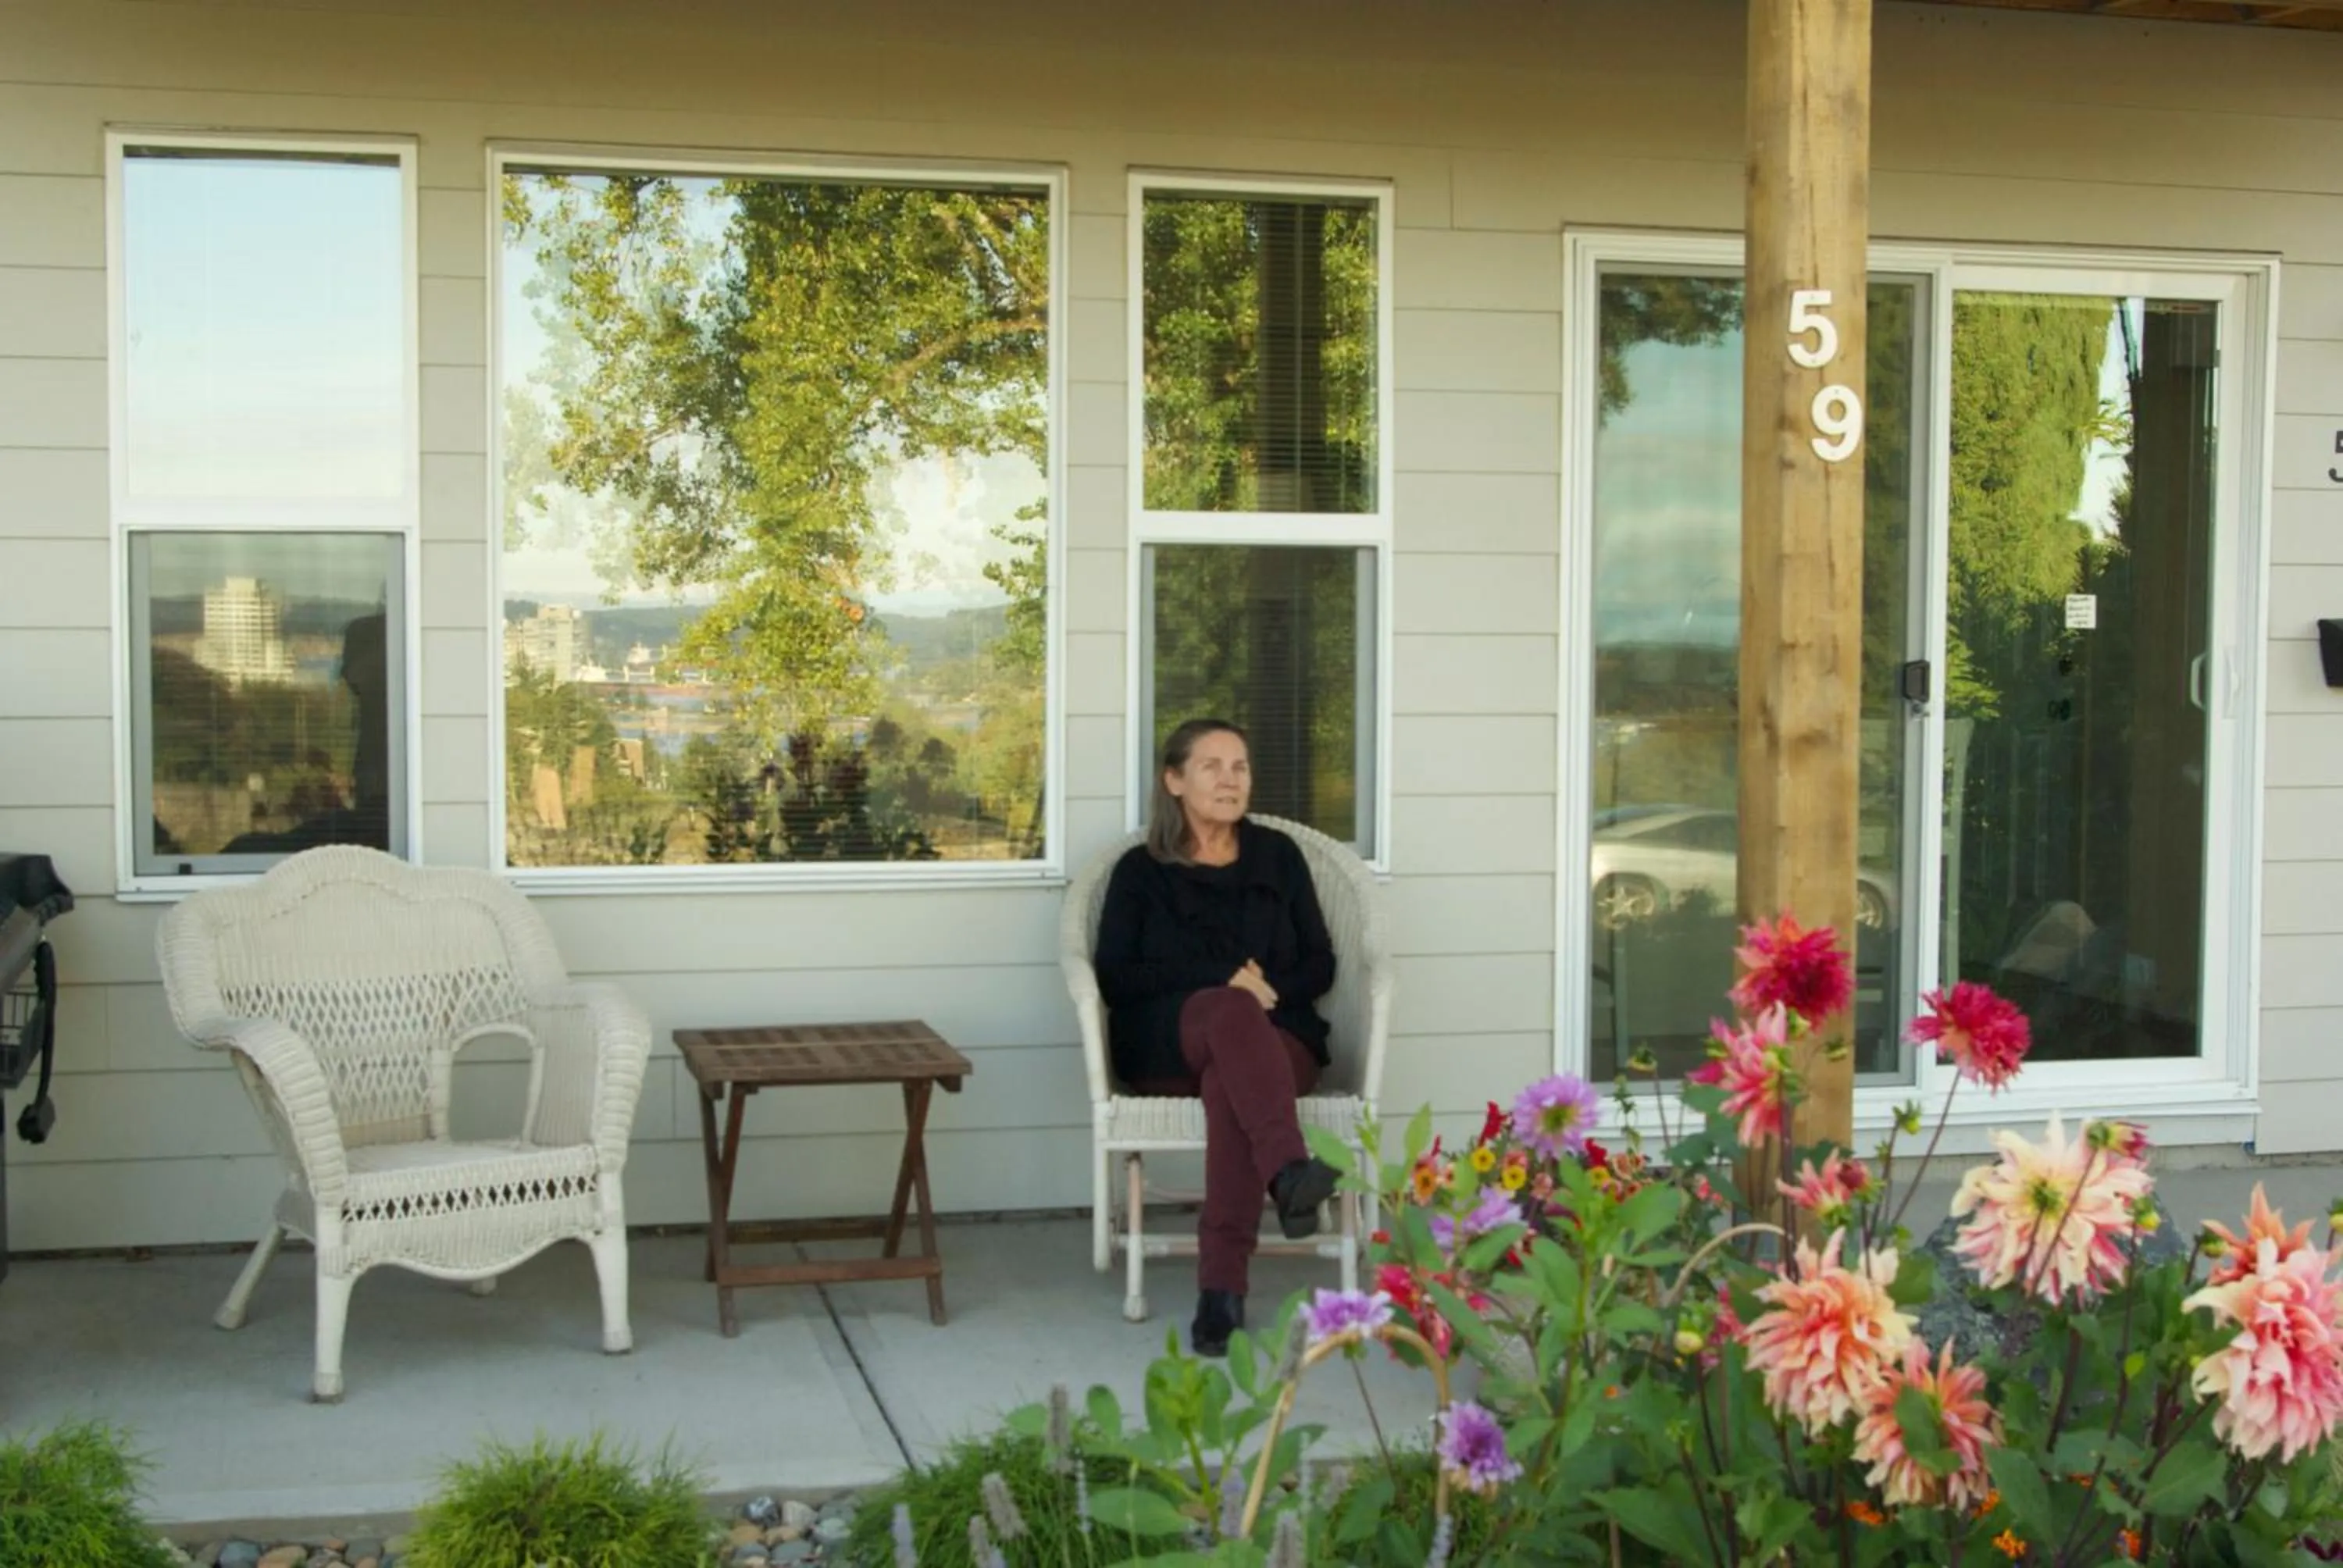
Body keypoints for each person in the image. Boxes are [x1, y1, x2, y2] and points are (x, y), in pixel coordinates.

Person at [1092, 718, 1344, 1356]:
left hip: (1278, 1035)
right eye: (1212, 766)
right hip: (1165, 1042)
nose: (1231, 780)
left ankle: (1222, 1290)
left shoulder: (1278, 858)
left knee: (1231, 1074)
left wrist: (1267, 989)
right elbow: (1117, 977)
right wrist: (1223, 979)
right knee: (1230, 1015)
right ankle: (1286, 1170)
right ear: (1174, 780)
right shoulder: (1139, 872)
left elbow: (1322, 963)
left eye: (1241, 767)